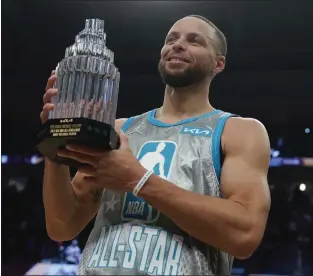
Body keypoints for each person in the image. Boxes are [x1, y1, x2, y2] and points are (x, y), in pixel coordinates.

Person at [41, 15, 271, 275]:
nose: (178, 45)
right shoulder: (119, 130)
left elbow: (244, 234)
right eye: (171, 39)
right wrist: (56, 139)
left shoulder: (239, 131)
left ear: (218, 64)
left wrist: (138, 180)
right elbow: (62, 225)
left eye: (194, 41)